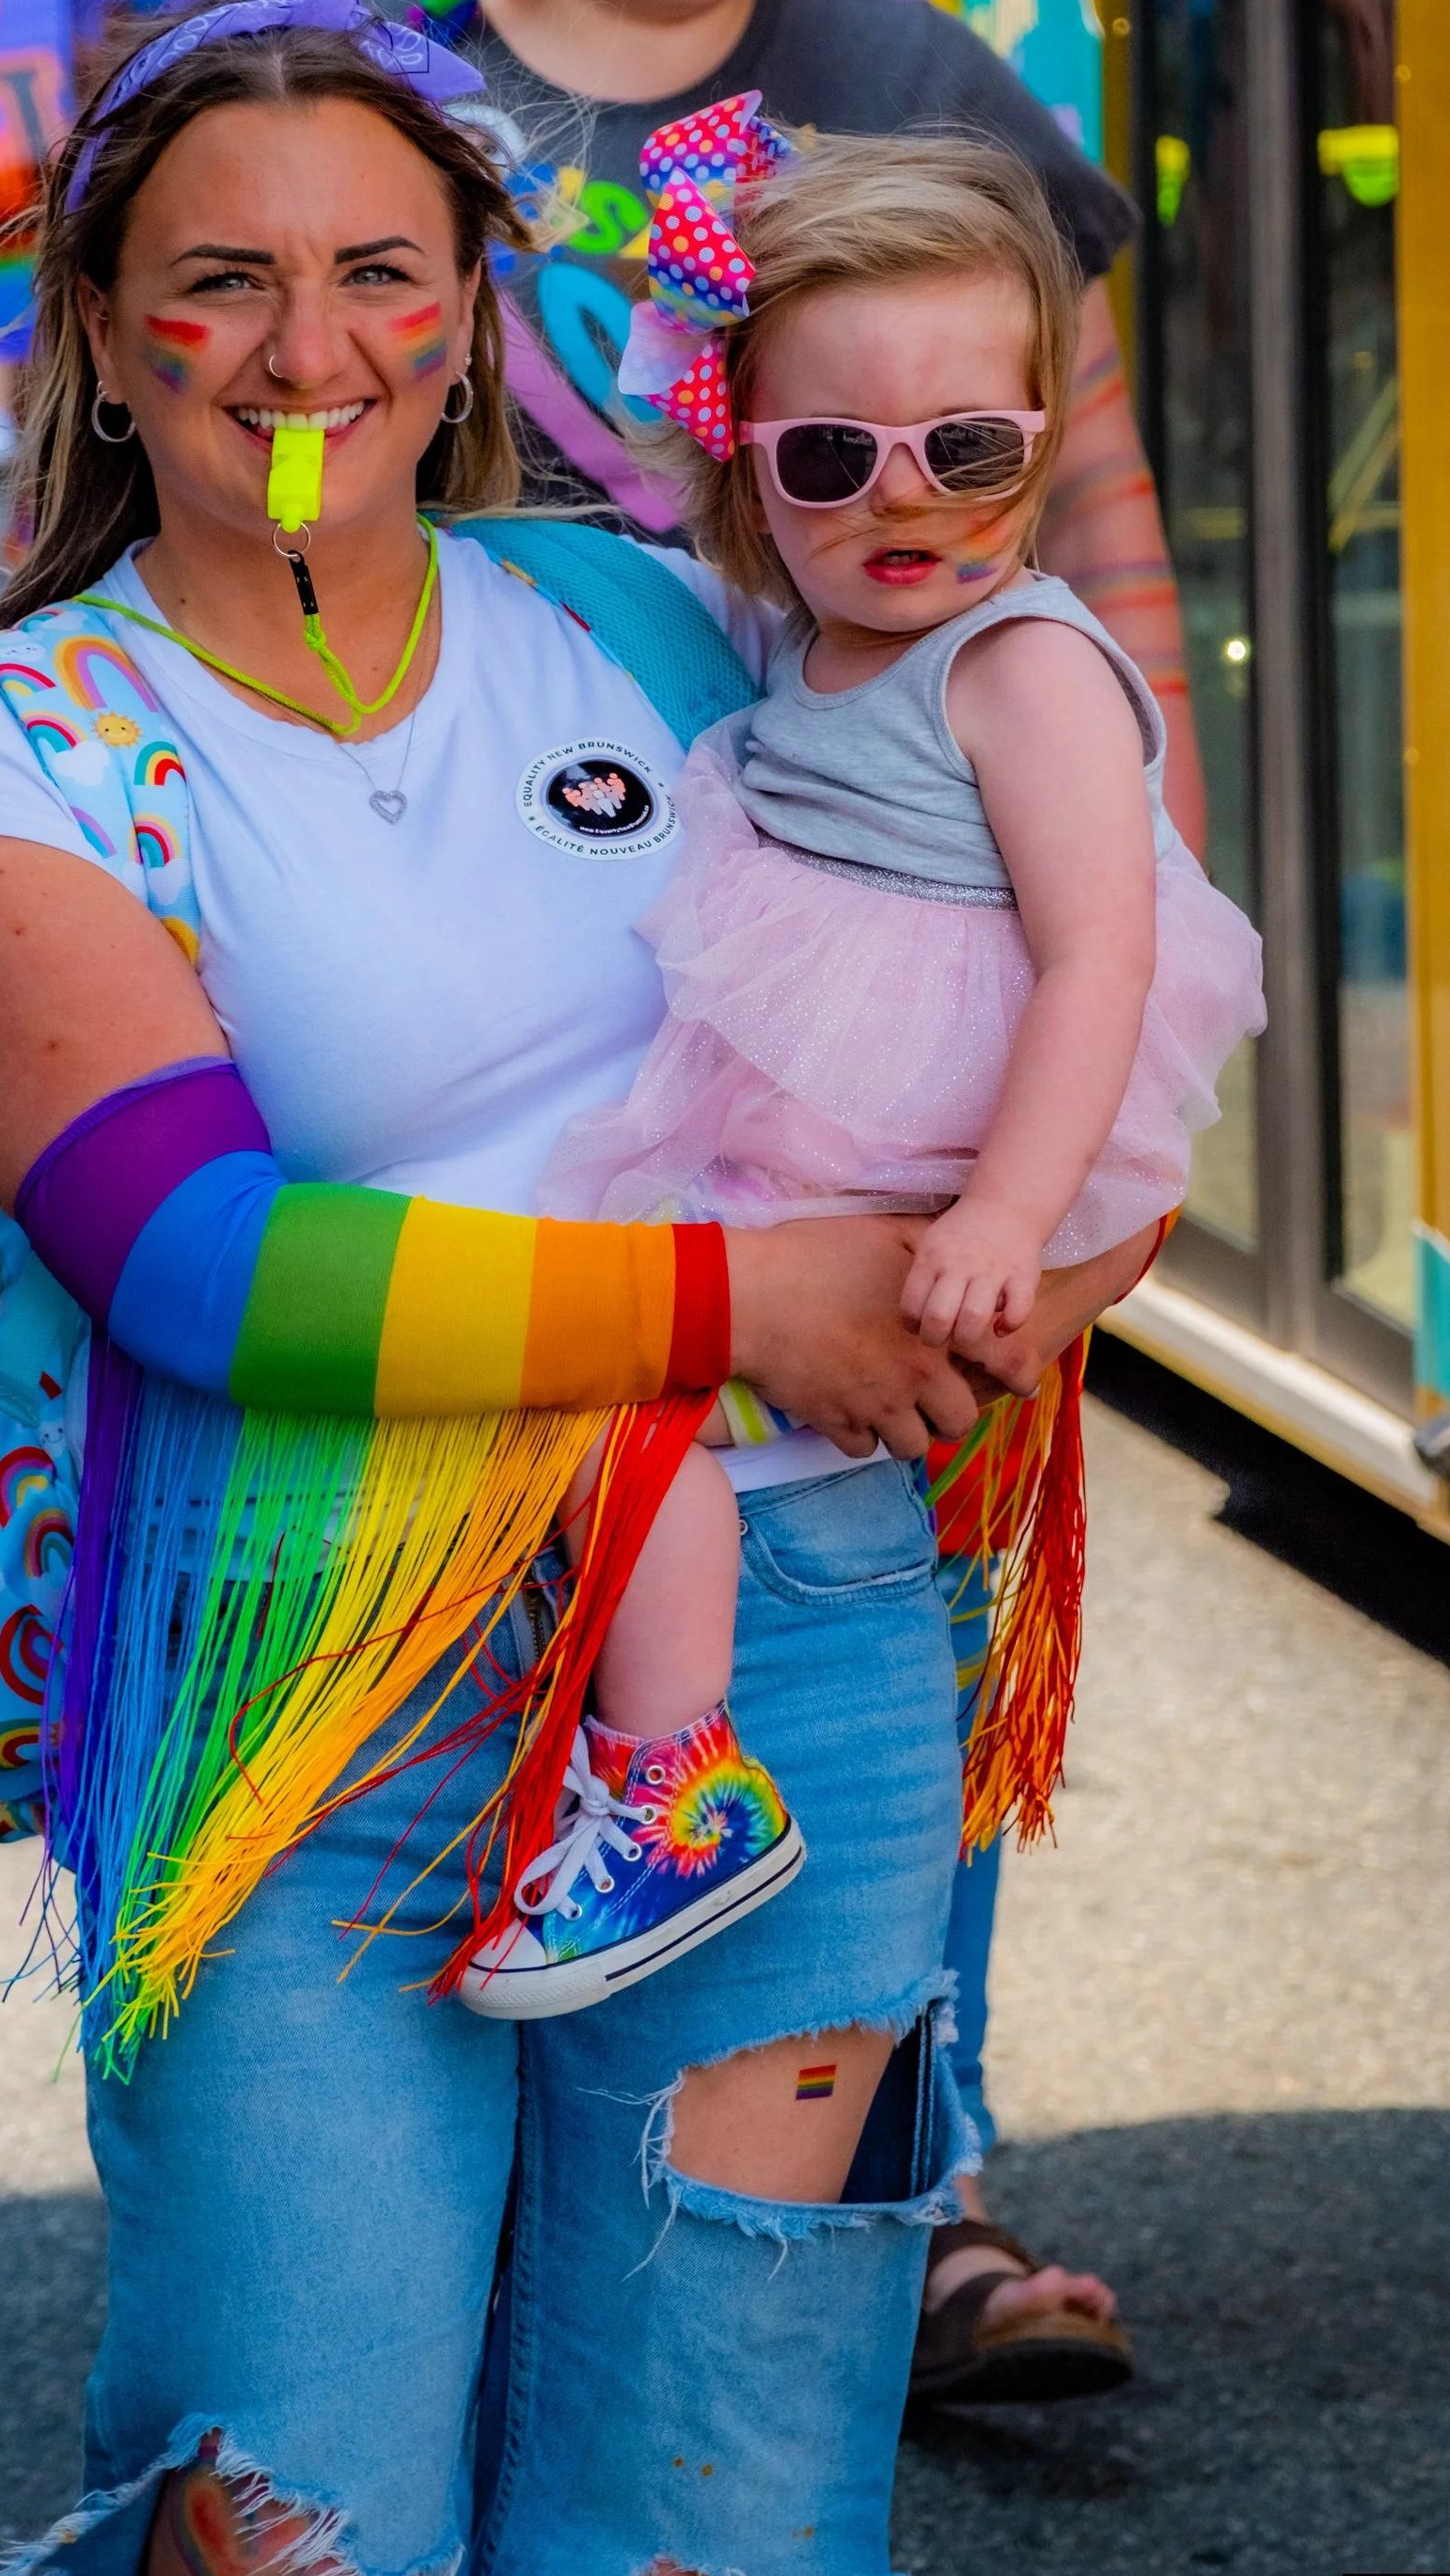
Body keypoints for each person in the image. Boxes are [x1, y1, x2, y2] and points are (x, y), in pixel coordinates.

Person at [0, 0, 1153, 2576]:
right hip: (319, 1687)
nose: (305, 351)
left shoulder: (657, 615)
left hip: (790, 1684)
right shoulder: (12, 761)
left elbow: (1060, 948)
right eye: (219, 282)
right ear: (102, 331)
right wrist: (746, 1300)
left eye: (376, 270)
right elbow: (200, 1262)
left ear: (471, 305)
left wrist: (1041, 1257)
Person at [360, 0, 1201, 2398]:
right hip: (543, 944)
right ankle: (551, 2180)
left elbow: (1076, 487)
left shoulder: (892, 78)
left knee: (879, 1579)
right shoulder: (404, 119)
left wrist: (1117, 897)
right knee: (589, 1530)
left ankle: (902, 2185)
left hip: (884, 980)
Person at [462, 129, 1264, 2017]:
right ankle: (662, 1739)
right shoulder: (812, 636)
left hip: (924, 1118)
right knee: (611, 1375)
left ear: (1042, 435)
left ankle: (672, 1782)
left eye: (963, 451)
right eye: (830, 456)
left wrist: (1001, 1213)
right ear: (742, 453)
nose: (899, 498)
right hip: (814, 1100)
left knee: (618, 1383)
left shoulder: (1018, 665)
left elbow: (1097, 954)